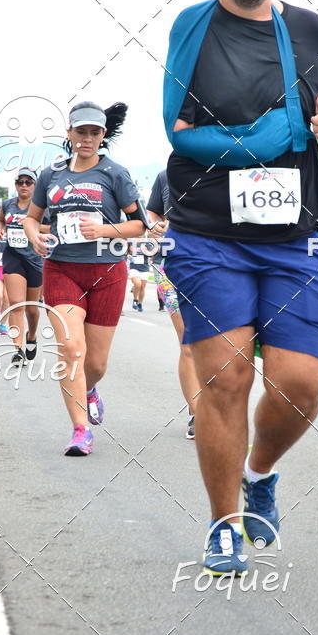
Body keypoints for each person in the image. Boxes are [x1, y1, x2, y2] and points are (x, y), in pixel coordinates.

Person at [162, 0, 318, 573]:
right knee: (227, 376)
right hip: (209, 228)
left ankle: (259, 471)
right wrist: (271, 136)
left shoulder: (308, 28)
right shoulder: (194, 27)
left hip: (293, 232)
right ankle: (222, 524)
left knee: (303, 380)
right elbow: (179, 130)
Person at [23, 101, 164, 457]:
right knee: (72, 350)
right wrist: (34, 235)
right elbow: (31, 217)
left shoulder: (115, 173)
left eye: (95, 133)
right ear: (69, 133)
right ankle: (80, 429)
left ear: (103, 136)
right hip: (62, 269)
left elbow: (139, 225)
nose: (87, 139)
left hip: (107, 272)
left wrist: (103, 229)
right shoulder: (50, 174)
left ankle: (88, 389)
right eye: (81, 132)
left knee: (96, 364)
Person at [147, 169, 201, 440]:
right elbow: (153, 214)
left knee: (222, 343)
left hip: (217, 265)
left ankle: (220, 407)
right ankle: (197, 413)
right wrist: (155, 226)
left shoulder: (227, 167)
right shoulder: (166, 175)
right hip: (169, 264)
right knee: (188, 344)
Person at [0, 169, 49, 365]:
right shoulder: (8, 204)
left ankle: (31, 335)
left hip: (35, 259)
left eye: (29, 182)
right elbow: (1, 220)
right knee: (17, 303)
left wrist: (31, 224)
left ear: (35, 185)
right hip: (13, 257)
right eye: (20, 182)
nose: (24, 185)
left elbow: (51, 228)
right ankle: (17, 349)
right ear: (16, 184)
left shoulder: (42, 207)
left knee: (32, 309)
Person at [127, 239, 151, 311]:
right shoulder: (131, 242)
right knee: (138, 284)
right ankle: (135, 300)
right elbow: (125, 252)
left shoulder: (147, 243)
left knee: (142, 287)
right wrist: (128, 255)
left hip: (144, 268)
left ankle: (140, 304)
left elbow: (151, 254)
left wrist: (146, 251)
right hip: (134, 267)